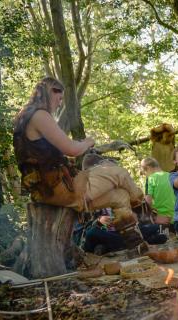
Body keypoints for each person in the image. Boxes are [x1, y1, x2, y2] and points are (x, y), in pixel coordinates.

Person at [13, 77, 143, 220]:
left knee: (120, 197)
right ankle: (144, 207)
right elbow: (72, 150)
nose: (60, 104)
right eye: (59, 98)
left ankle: (133, 240)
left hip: (50, 192)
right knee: (119, 173)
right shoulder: (39, 115)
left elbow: (46, 156)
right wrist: (87, 142)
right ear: (50, 92)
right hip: (61, 189)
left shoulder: (24, 117)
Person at [141, 157, 175, 225]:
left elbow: (148, 202)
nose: (145, 175)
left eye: (144, 172)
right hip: (177, 217)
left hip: (163, 219)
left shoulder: (150, 179)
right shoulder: (171, 176)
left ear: (148, 168)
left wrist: (154, 217)